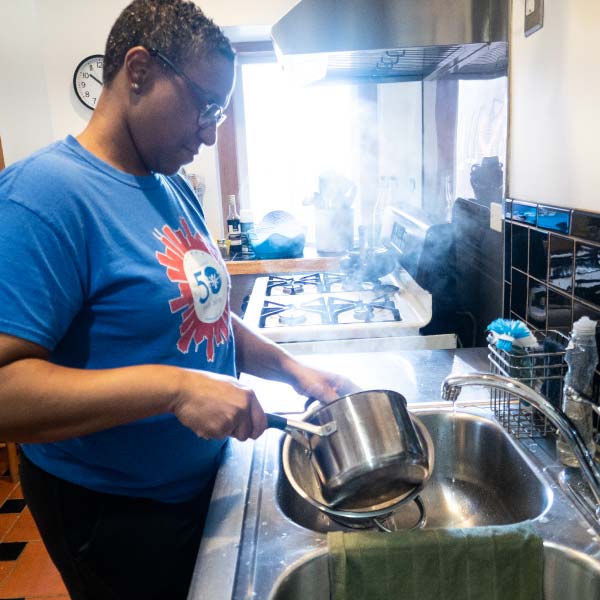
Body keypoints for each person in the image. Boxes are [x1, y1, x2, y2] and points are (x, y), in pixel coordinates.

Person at [0, 1, 357, 599]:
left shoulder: (170, 188)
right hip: (115, 515)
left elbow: (206, 317)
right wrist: (178, 388)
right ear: (138, 71)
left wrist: (293, 369)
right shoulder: (43, 196)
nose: (211, 131)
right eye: (205, 105)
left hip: (197, 488)